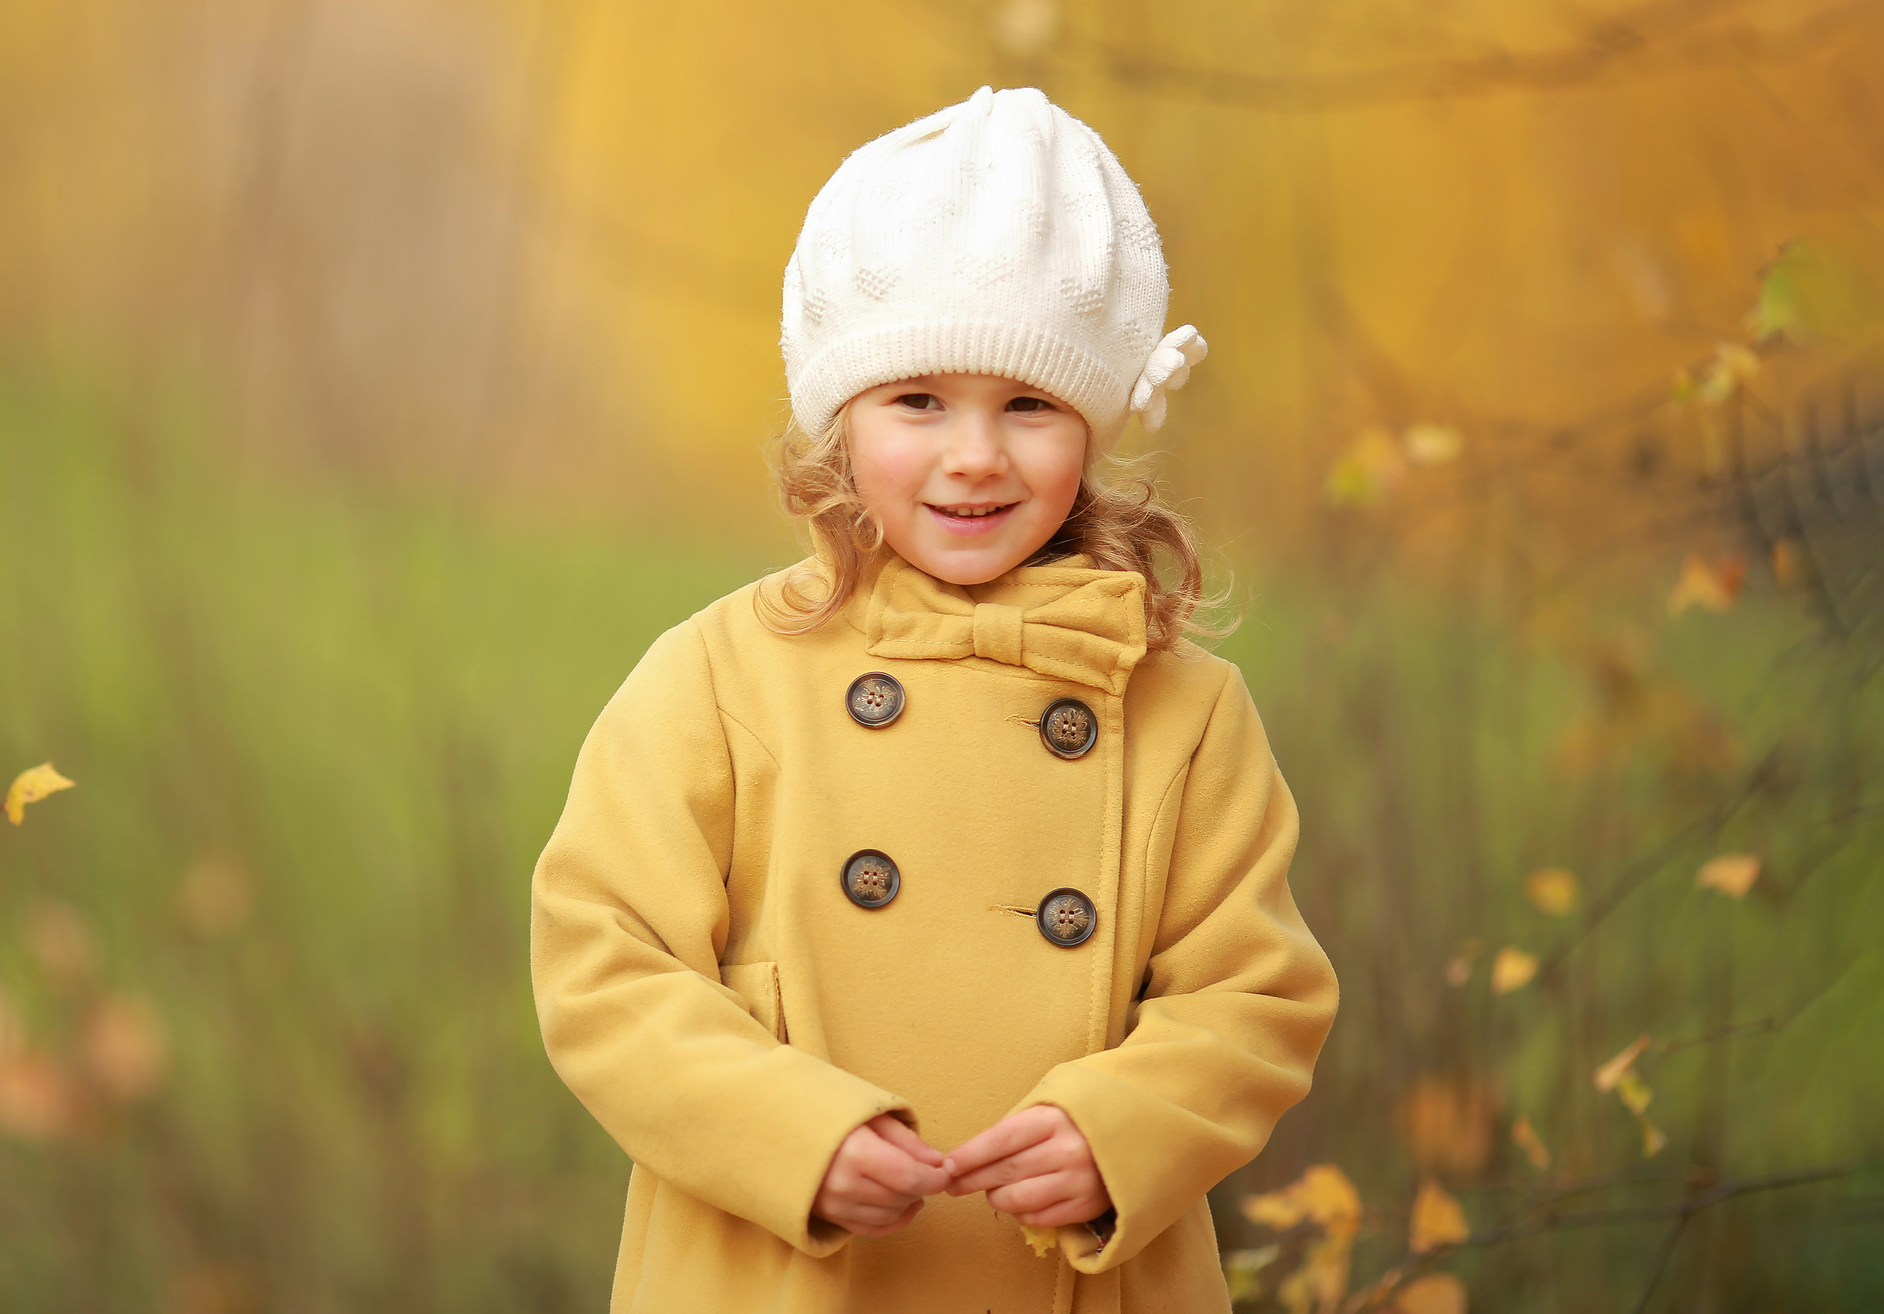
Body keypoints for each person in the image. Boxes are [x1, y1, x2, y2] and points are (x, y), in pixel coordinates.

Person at [529, 86, 1339, 1312]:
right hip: (785, 1275)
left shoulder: (1183, 708)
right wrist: (790, 1137)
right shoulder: (719, 676)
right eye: (917, 401)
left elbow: (1255, 995)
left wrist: (1118, 1132)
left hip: (1077, 1272)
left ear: (1096, 427)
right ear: (838, 424)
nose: (974, 454)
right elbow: (605, 966)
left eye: (1029, 404)